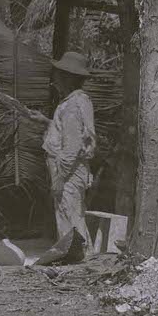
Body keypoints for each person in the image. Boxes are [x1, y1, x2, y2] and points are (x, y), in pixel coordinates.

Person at [42, 52, 96, 243]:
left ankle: (80, 259)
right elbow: (70, 133)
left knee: (71, 225)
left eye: (59, 75)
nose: (55, 79)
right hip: (70, 172)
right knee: (70, 221)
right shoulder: (77, 102)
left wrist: (59, 178)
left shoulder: (73, 105)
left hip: (69, 174)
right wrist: (45, 121)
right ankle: (78, 257)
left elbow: (72, 147)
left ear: (69, 78)